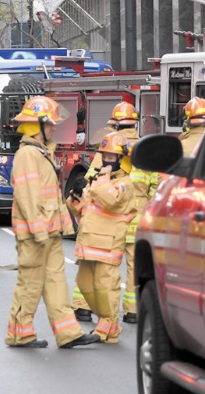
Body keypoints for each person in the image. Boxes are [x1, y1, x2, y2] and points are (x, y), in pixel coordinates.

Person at [4, 96, 98, 349]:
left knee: (56, 282)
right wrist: (38, 230)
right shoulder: (27, 155)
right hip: (37, 235)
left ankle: (68, 333)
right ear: (39, 125)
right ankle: (19, 334)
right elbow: (27, 195)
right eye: (51, 124)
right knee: (30, 284)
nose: (54, 128)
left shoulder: (40, 153)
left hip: (51, 232)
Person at [73, 101, 145, 323]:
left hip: (108, 220)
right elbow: (157, 187)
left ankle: (83, 307)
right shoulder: (143, 150)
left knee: (96, 265)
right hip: (137, 218)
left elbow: (91, 184)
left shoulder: (108, 150)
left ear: (114, 125)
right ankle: (132, 311)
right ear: (135, 123)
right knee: (135, 267)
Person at [67, 131, 139, 344]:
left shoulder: (125, 183)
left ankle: (109, 327)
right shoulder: (99, 181)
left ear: (122, 159)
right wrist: (75, 196)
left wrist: (101, 179)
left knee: (105, 287)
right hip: (87, 243)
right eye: (104, 156)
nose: (106, 161)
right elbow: (82, 211)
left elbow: (110, 200)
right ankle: (105, 322)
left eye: (111, 157)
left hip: (107, 244)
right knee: (85, 284)